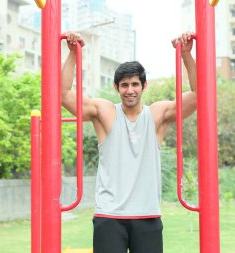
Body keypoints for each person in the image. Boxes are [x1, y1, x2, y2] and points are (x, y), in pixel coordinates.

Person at [61, 31, 197, 253]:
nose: (130, 90)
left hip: (148, 215)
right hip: (110, 216)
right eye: (124, 85)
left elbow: (199, 95)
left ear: (144, 86)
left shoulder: (157, 114)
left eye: (135, 84)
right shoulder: (105, 113)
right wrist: (72, 54)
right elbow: (64, 94)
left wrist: (186, 55)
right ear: (116, 88)